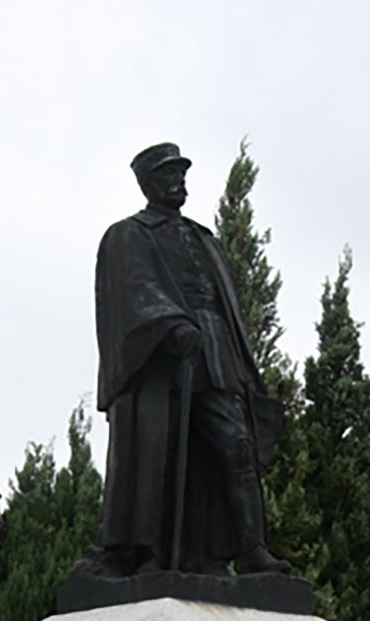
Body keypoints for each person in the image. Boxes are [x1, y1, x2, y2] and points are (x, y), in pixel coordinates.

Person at [93, 143, 290, 577]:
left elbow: (226, 303)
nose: (176, 182)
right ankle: (150, 554)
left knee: (237, 446)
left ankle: (251, 549)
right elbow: (134, 288)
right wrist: (170, 324)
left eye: (180, 174)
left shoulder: (205, 240)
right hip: (162, 359)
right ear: (147, 184)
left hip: (216, 353)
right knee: (157, 455)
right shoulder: (129, 234)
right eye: (166, 176)